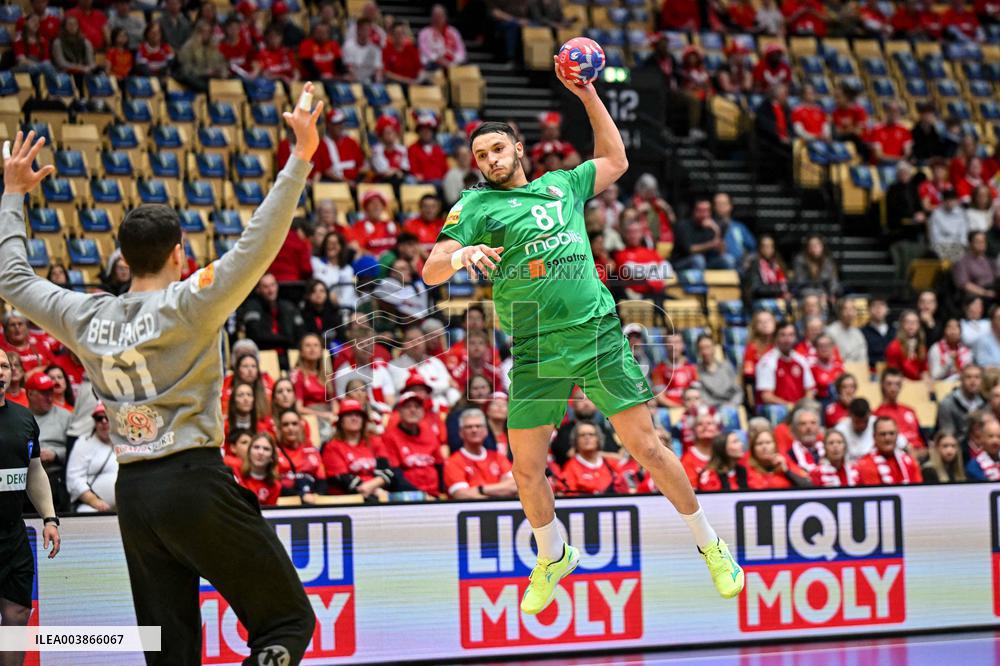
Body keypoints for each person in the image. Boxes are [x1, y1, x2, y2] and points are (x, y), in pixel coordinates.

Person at [0, 91, 325, 663]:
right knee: (287, 621)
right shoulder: (192, 300)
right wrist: (299, 158)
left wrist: (12, 195)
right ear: (179, 253)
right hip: (193, 479)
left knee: (168, 651)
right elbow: (260, 240)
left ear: (124, 259)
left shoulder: (84, 314)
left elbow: (13, 278)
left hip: (135, 495)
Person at [422, 58, 744, 613]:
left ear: (518, 148)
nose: (490, 160)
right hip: (535, 348)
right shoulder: (475, 205)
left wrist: (588, 92)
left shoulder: (560, 186)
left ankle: (711, 545)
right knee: (525, 469)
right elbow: (431, 270)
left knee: (647, 448)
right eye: (480, 155)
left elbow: (616, 159)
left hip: (596, 334)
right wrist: (462, 254)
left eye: (497, 149)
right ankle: (553, 555)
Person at [0, 350, 61, 666]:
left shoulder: (24, 418)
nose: (0, 372)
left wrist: (50, 518)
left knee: (18, 612)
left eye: (4, 366)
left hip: (13, 535)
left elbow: (34, 471)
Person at [322, 398, 398, 498]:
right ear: (341, 421)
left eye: (358, 415)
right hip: (348, 498)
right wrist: (374, 490)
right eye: (349, 415)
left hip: (378, 492)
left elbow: (387, 470)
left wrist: (371, 487)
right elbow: (344, 480)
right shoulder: (332, 447)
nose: (354, 418)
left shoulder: (374, 441)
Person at [379, 391, 444, 496]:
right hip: (407, 496)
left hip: (434, 494)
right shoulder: (390, 438)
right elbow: (395, 475)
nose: (413, 410)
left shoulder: (430, 433)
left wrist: (444, 494)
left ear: (423, 411)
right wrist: (421, 496)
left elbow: (440, 466)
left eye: (417, 407)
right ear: (399, 411)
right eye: (407, 407)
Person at [444, 407, 517, 499]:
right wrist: (500, 490)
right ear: (461, 433)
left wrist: (480, 489)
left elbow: (515, 486)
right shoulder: (453, 462)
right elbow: (461, 494)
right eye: (469, 427)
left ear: (486, 431)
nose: (474, 430)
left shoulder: (498, 457)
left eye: (478, 426)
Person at [65, 402, 118, 512]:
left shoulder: (124, 442)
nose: (104, 421)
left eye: (107, 417)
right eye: (99, 418)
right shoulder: (83, 443)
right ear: (95, 422)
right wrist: (94, 501)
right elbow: (74, 479)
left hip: (123, 507)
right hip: (91, 507)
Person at [756, 322, 815, 409]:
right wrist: (790, 406)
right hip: (778, 410)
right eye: (783, 335)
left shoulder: (801, 360)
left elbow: (809, 390)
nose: (787, 339)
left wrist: (803, 406)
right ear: (775, 338)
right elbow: (766, 396)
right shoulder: (767, 362)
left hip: (800, 410)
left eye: (791, 335)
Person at [275, 408, 327, 501]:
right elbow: (274, 484)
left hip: (313, 500)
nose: (290, 428)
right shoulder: (274, 452)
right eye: (285, 424)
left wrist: (318, 497)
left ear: (301, 426)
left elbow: (322, 480)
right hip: (285, 501)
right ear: (279, 429)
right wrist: (300, 496)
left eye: (294, 424)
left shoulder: (312, 451)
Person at [856, 417, 923, 485]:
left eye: (891, 433)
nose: (887, 438)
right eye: (883, 434)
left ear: (897, 435)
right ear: (874, 436)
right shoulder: (863, 465)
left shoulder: (910, 463)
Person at [558, 421, 618, 496]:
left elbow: (623, 487)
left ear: (598, 439)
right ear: (576, 440)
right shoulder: (570, 468)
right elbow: (569, 495)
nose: (587, 437)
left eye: (591, 434)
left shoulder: (611, 464)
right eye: (582, 435)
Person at [873, 367, 924, 451]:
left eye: (897, 384)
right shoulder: (877, 415)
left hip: (920, 453)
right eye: (889, 384)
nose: (893, 388)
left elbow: (921, 438)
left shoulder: (910, 411)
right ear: (882, 385)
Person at [746, 429, 810, 489]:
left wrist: (787, 471)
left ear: (775, 446)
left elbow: (808, 486)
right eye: (759, 443)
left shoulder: (785, 463)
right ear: (753, 449)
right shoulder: (746, 469)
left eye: (768, 442)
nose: (764, 447)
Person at [695, 334, 742, 408]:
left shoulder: (726, 366)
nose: (705, 352)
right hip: (710, 409)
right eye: (702, 348)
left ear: (714, 348)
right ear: (698, 351)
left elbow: (738, 391)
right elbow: (701, 396)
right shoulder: (696, 371)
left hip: (731, 406)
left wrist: (732, 404)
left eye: (708, 347)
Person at [237, 432, 282, 506]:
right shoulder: (235, 472)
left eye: (266, 449)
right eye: (256, 447)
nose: (260, 452)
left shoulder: (275, 486)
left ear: (272, 457)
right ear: (249, 452)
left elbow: (269, 512)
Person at [885, 310, 930, 381]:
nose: (911, 325)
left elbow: (924, 370)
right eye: (908, 322)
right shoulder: (894, 346)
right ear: (902, 324)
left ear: (919, 325)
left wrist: (925, 378)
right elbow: (893, 372)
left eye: (915, 322)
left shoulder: (921, 346)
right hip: (901, 383)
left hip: (918, 384)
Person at [953, 230, 999, 300]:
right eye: (978, 242)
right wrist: (985, 293)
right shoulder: (962, 262)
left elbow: (998, 277)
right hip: (975, 296)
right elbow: (964, 284)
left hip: (993, 291)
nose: (981, 244)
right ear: (970, 243)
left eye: (983, 241)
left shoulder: (990, 261)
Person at [419, 4, 466, 69]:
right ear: (432, 17)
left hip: (453, 62)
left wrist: (454, 61)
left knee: (465, 65)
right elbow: (425, 51)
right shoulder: (424, 33)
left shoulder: (453, 32)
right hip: (434, 64)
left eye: (440, 16)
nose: (438, 19)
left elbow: (461, 51)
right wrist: (439, 59)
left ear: (445, 17)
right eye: (436, 16)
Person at [825, 299, 868, 364]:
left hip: (857, 368)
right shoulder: (830, 331)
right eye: (846, 309)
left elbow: (863, 357)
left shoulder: (858, 333)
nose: (849, 313)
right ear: (840, 312)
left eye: (852, 309)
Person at [861, 297, 895, 370]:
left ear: (887, 310)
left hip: (893, 371)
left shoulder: (895, 331)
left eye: (882, 305)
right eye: (874, 305)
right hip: (870, 370)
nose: (878, 308)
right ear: (868, 310)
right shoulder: (861, 332)